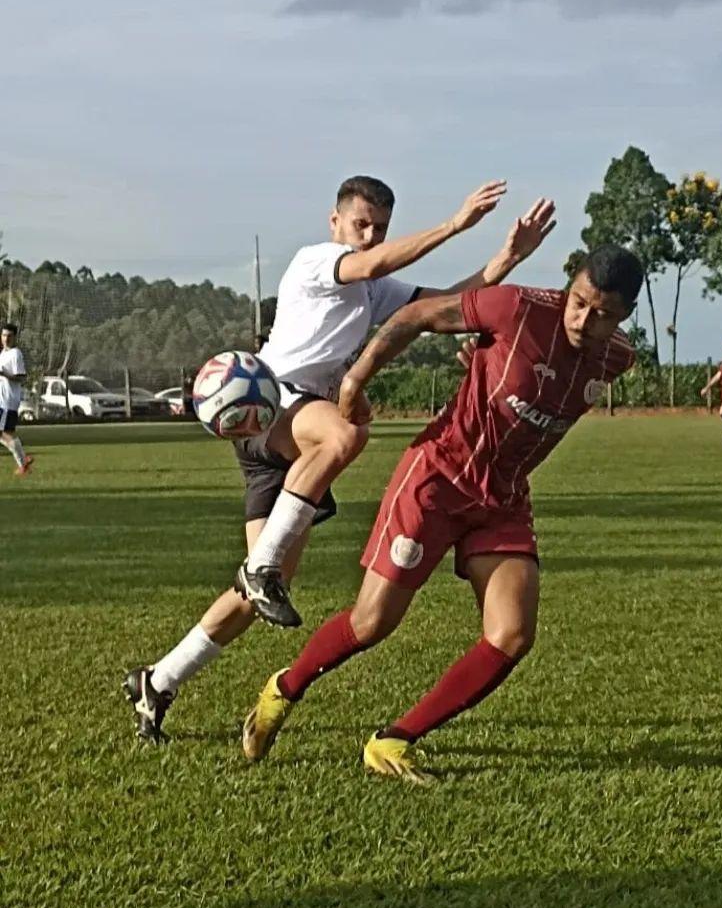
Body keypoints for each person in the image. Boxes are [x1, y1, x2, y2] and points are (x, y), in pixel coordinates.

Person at [123, 176, 554, 744]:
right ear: (335, 222)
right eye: (361, 225)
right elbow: (368, 268)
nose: (370, 236)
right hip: (274, 404)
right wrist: (454, 225)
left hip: (284, 447)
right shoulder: (316, 262)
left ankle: (158, 680)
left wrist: (506, 257)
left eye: (379, 228)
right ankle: (261, 572)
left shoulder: (373, 292)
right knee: (345, 437)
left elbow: (448, 302)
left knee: (260, 590)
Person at [241, 244, 642, 783]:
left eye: (602, 315)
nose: (583, 320)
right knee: (371, 623)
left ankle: (393, 741)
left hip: (502, 498)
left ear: (623, 316)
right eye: (579, 302)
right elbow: (414, 315)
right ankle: (283, 690)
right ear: (569, 286)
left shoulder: (618, 357)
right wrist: (358, 378)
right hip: (437, 477)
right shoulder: (515, 307)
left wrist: (486, 358)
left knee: (512, 635)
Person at [0, 324, 32, 477]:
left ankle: (23, 463)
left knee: (7, 433)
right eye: (4, 335)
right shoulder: (2, 354)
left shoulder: (15, 354)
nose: (6, 339)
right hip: (1, 400)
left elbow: (21, 377)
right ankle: (23, 459)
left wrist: (5, 374)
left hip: (8, 401)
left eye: (9, 336)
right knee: (4, 433)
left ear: (14, 338)